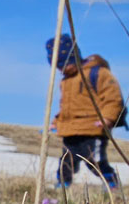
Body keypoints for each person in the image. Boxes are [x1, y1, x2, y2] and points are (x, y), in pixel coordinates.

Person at [48, 33, 122, 188]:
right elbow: (65, 107)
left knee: (95, 159)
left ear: (73, 57)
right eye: (57, 66)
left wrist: (107, 118)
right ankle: (63, 185)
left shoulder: (98, 73)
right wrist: (56, 122)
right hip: (70, 129)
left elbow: (113, 97)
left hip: (93, 128)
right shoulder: (66, 81)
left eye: (63, 64)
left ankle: (111, 184)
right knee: (66, 160)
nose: (61, 69)